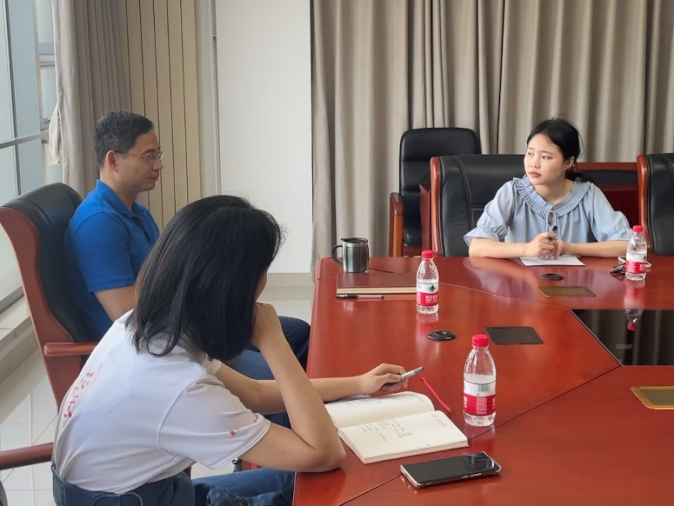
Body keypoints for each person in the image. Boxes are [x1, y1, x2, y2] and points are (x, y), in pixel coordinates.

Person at [52, 195, 409, 506]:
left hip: (141, 492)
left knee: (297, 478)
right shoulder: (179, 386)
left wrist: (359, 384)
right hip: (139, 499)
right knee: (324, 479)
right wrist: (273, 342)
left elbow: (254, 393)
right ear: (234, 287)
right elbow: (325, 453)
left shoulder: (144, 327)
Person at [64, 111, 309, 384]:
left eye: (158, 155)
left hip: (182, 325)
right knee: (276, 375)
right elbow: (127, 313)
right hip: (154, 347)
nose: (159, 165)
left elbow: (165, 275)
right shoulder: (98, 223)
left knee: (299, 333)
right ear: (113, 160)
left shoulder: (136, 212)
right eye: (149, 156)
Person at [465, 117, 631, 259]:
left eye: (545, 157)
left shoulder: (588, 194)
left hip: (574, 284)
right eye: (530, 153)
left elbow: (627, 245)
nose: (534, 164)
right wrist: (526, 249)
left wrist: (570, 248)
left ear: (568, 162)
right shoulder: (512, 192)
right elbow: (477, 247)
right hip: (521, 283)